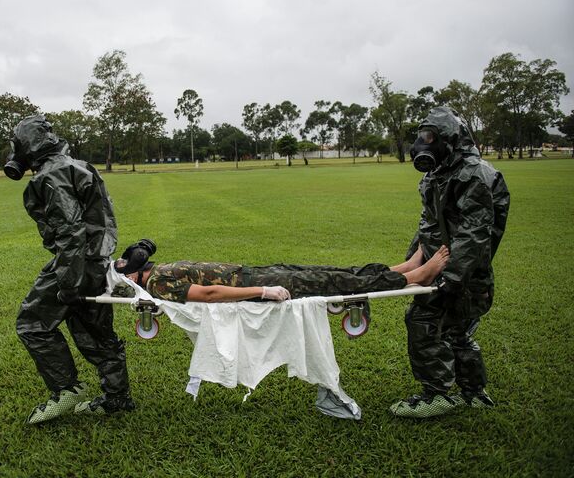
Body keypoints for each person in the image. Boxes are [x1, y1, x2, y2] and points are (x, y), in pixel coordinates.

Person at [5, 115, 133, 423]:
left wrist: (69, 283)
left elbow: (70, 231)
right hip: (96, 261)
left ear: (27, 145)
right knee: (95, 333)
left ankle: (66, 389)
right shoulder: (77, 165)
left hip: (76, 262)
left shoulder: (52, 174)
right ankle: (117, 397)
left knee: (32, 323)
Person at [389, 106, 510, 418]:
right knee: (456, 331)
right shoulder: (436, 176)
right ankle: (474, 392)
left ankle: (436, 394)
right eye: (421, 137)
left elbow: (475, 233)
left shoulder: (475, 175)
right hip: (446, 268)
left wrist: (449, 279)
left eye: (430, 137)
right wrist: (413, 267)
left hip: (466, 274)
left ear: (450, 139)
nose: (422, 144)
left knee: (422, 321)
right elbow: (427, 227)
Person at [114, 239, 450, 303]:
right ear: (129, 279)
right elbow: (209, 294)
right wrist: (262, 291)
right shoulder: (157, 285)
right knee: (330, 283)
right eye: (126, 266)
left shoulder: (156, 272)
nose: (133, 261)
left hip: (252, 271)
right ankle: (412, 278)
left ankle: (397, 269)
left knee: (328, 271)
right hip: (254, 283)